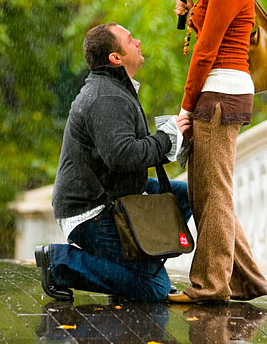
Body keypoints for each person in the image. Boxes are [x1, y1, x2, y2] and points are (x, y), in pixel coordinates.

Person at [35, 22, 191, 303]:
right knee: (153, 289)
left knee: (186, 196)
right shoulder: (106, 97)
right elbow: (123, 156)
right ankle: (60, 262)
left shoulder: (115, 89)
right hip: (91, 210)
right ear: (115, 58)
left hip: (116, 193)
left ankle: (136, 266)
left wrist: (171, 138)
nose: (139, 42)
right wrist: (166, 139)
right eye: (131, 40)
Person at [167, 0, 267, 303]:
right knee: (208, 192)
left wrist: (184, 106)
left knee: (214, 195)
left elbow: (207, 52)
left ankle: (210, 286)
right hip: (223, 94)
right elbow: (211, 34)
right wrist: (191, 12)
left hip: (219, 96)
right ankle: (248, 281)